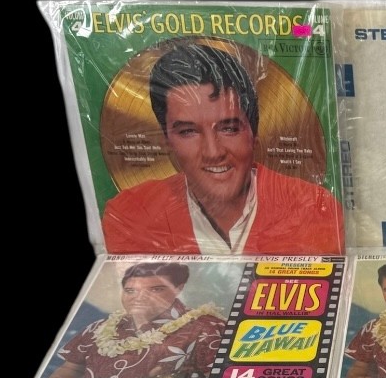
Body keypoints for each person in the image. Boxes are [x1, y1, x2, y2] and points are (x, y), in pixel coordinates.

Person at [101, 40, 344, 255]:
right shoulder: (130, 216)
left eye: (229, 128)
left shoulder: (315, 210)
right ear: (167, 140)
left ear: (254, 134)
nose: (213, 152)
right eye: (188, 132)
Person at [38, 261, 226, 378]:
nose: (139, 298)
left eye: (155, 289)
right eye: (130, 291)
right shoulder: (98, 327)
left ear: (178, 288)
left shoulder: (207, 327)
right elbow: (71, 369)